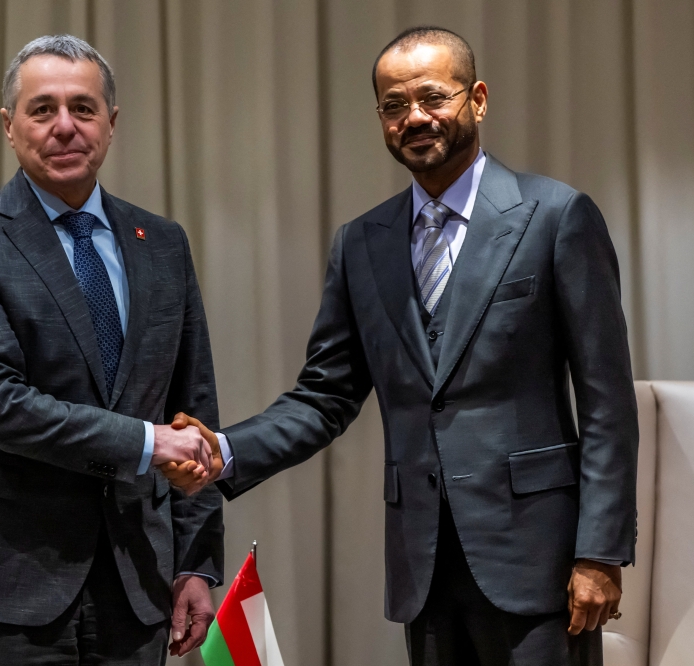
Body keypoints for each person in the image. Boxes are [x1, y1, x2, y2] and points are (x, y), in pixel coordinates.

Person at [168, 26, 638, 665]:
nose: (415, 118)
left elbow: (607, 402)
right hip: (424, 568)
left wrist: (600, 551)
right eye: (394, 105)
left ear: (477, 98)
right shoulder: (362, 243)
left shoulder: (555, 216)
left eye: (433, 98)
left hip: (541, 563)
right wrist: (224, 451)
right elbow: (324, 396)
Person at [0, 35, 222, 665]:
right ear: (8, 126)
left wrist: (197, 563)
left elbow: (195, 411)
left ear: (111, 124)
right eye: (41, 109)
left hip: (137, 580)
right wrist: (147, 441)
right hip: (3, 583)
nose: (64, 127)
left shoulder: (162, 243)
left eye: (83, 109)